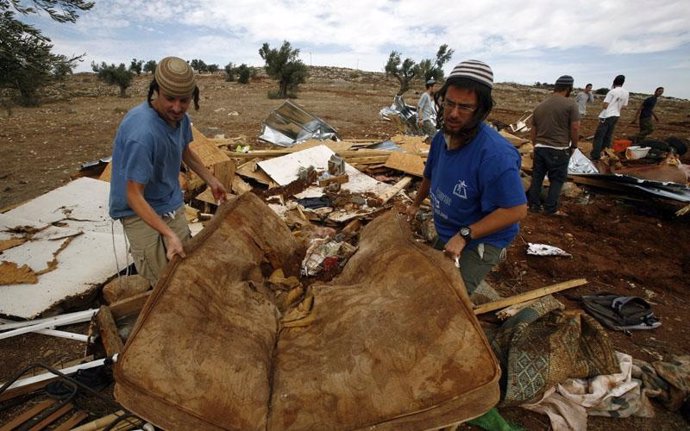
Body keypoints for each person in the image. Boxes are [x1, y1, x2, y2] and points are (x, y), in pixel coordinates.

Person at [405, 60, 527, 294]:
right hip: (451, 228)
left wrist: (465, 235)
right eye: (449, 103)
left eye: (464, 107)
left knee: (448, 297)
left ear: (481, 110)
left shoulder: (495, 155)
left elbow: (516, 210)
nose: (452, 113)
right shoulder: (442, 139)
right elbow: (429, 175)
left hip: (482, 238)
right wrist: (415, 204)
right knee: (430, 278)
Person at [109, 56, 228, 287]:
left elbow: (184, 150)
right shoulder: (142, 134)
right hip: (137, 211)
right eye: (170, 99)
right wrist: (167, 234)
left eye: (184, 100)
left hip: (169, 201)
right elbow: (133, 195)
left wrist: (211, 180)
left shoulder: (181, 119)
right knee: (164, 283)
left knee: (186, 269)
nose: (176, 107)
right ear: (156, 92)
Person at [527, 75, 580, 215]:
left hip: (540, 148)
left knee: (537, 178)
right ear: (569, 88)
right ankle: (550, 209)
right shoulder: (570, 104)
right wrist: (574, 145)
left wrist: (536, 145)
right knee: (557, 180)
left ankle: (534, 206)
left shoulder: (540, 106)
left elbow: (533, 130)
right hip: (559, 149)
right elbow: (575, 127)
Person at [590, 75, 629, 161]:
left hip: (607, 115)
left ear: (614, 81)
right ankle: (605, 153)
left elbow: (605, 105)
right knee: (608, 135)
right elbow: (625, 106)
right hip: (616, 115)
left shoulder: (612, 92)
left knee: (599, 136)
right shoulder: (626, 92)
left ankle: (595, 155)